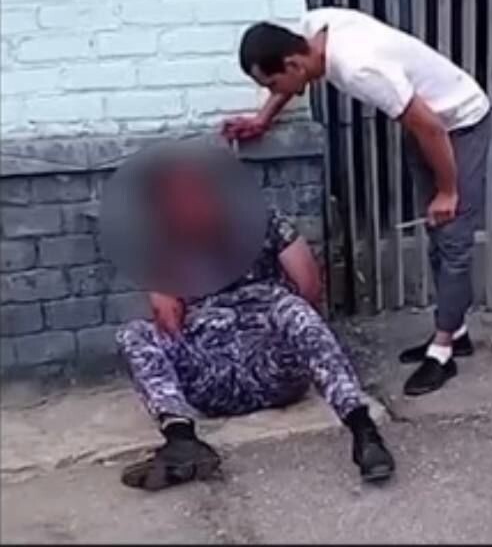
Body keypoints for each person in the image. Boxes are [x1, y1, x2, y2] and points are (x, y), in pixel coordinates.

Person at [222, 8, 491, 397]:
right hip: (425, 125)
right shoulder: (314, 29)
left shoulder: (360, 68)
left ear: (294, 63)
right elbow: (420, 123)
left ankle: (443, 349)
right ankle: (456, 329)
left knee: (452, 235)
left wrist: (448, 191)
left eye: (273, 83)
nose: (275, 91)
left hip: (458, 121)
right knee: (438, 230)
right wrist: (262, 119)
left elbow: (431, 126)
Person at [116, 161, 395, 490]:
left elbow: (309, 287)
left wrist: (269, 325)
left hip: (273, 370)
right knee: (134, 334)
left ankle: (364, 432)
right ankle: (181, 441)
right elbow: (166, 316)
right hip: (210, 379)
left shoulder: (264, 224)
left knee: (293, 309)